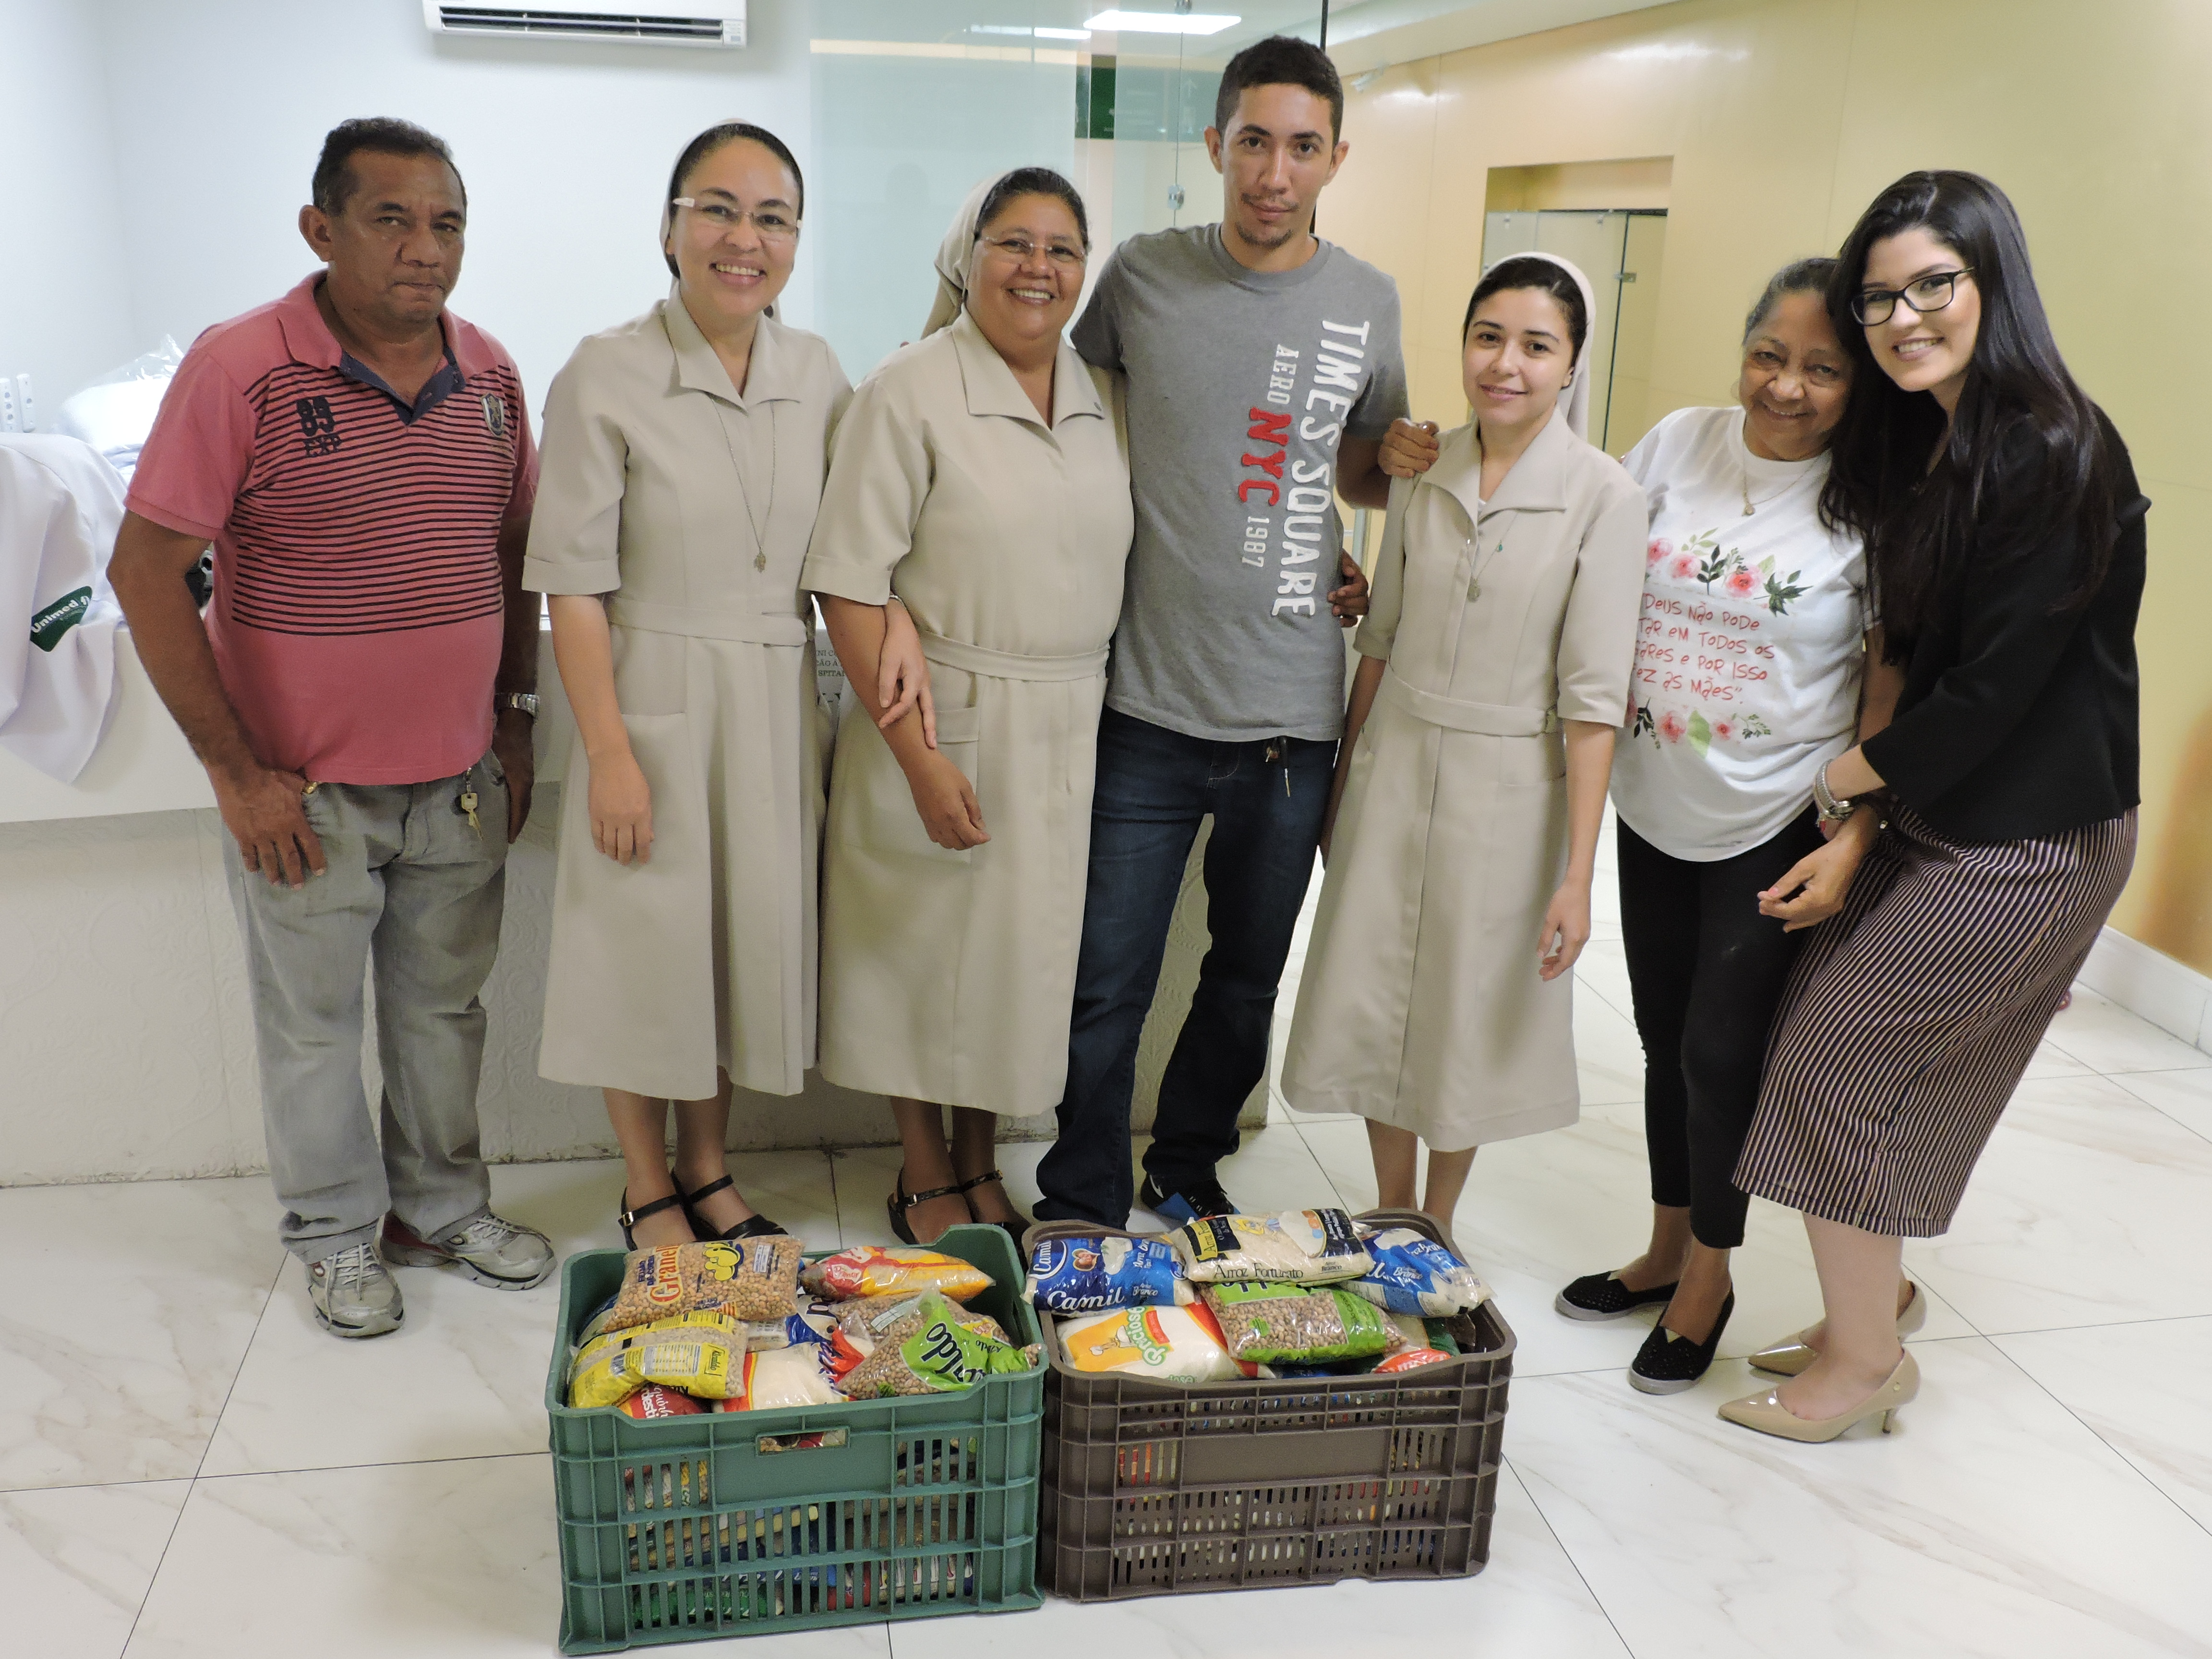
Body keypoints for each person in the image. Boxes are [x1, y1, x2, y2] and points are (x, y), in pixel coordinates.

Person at [107, 119, 552, 1338]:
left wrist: (514, 716)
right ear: (322, 228)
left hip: (457, 779)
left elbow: (514, 555)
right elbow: (148, 571)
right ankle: (336, 1237)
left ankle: (441, 1210)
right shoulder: (244, 367)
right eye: (391, 219)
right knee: (312, 1027)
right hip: (301, 791)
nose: (425, 249)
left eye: (447, 222)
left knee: (440, 1015)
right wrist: (236, 773)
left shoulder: (497, 378)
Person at [1719, 171, 2146, 1442]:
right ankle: (1876, 1300)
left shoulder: (2056, 448)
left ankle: (1863, 1368)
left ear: (1992, 282)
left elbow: (2001, 686)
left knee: (1836, 1068)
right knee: (1820, 1040)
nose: (1904, 319)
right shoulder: (1928, 437)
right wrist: (1869, 819)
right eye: (1882, 299)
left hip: (2034, 835)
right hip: (1950, 813)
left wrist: (1850, 781)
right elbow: (1908, 640)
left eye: (1934, 288)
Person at [525, 124, 923, 1249]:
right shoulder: (605, 371)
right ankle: (647, 1185)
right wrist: (608, 752)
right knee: (642, 947)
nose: (743, 239)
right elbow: (575, 590)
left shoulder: (817, 371)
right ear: (669, 228)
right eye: (718, 209)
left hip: (770, 694)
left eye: (772, 217)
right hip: (648, 696)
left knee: (732, 946)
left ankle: (711, 1170)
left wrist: (894, 619)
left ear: (795, 241)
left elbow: (864, 535)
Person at [1034, 36, 1405, 1229]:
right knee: (1106, 985)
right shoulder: (1141, 276)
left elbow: (1354, 464)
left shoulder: (1367, 300)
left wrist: (1367, 501)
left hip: (1294, 715)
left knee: (1245, 983)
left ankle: (1187, 1167)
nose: (1274, 173)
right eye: (1254, 141)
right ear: (1215, 144)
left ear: (1335, 159)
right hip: (1143, 705)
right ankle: (1082, 1194)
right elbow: (1056, 415)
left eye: (1303, 148)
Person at [1550, 259, 1891, 1395]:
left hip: (1774, 811)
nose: (1786, 387)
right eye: (1769, 356)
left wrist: (1857, 827)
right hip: (1656, 795)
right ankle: (1661, 1244)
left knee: (1719, 1051)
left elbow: (1886, 683)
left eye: (1821, 369)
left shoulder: (1872, 499)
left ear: (1859, 383)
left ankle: (1711, 1273)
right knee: (1658, 1034)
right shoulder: (1678, 443)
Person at [1280, 253, 1645, 1232]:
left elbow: (1594, 700)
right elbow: (1383, 641)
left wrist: (1577, 873)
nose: (1506, 365)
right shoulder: (1422, 469)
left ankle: (1438, 1217)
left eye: (1537, 346)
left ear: (1571, 365)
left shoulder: (1605, 498)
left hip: (1509, 785)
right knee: (1370, 993)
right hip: (1395, 766)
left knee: (1461, 1010)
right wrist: (1342, 789)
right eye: (1489, 338)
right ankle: (1389, 1205)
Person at [804, 168, 1132, 1243]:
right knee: (922, 948)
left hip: (1063, 721)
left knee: (1007, 963)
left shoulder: (1097, 399)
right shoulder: (912, 386)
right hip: (942, 713)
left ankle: (984, 1156)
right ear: (968, 254)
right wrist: (917, 759)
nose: (1039, 268)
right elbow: (848, 576)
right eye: (1014, 243)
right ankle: (924, 1166)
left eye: (1062, 249)